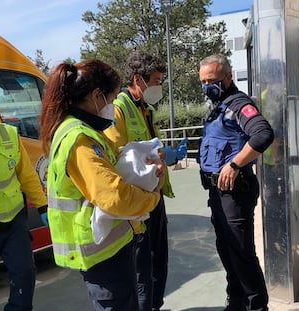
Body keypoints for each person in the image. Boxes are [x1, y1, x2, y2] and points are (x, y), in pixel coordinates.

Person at [39, 59, 162, 310]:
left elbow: (106, 175)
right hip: (100, 251)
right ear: (97, 96)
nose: (113, 105)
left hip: (108, 244)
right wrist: (153, 196)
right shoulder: (79, 138)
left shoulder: (84, 131)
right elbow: (114, 196)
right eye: (112, 97)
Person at [197, 54, 274, 311]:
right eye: (203, 81)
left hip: (235, 192)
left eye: (212, 80)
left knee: (242, 255)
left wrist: (234, 165)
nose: (207, 86)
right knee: (228, 253)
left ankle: (256, 307)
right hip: (218, 192)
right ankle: (237, 303)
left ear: (228, 78)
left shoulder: (239, 105)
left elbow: (263, 134)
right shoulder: (217, 107)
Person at [104, 50, 176, 311]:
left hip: (153, 195)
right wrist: (154, 160)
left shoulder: (146, 108)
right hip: (136, 203)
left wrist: (165, 156)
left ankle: (155, 306)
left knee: (159, 261)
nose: (158, 86)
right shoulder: (118, 109)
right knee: (141, 266)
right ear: (138, 79)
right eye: (155, 80)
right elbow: (120, 157)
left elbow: (148, 145)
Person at [0, 81, 48, 311]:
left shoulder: (8, 133)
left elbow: (26, 175)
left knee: (25, 275)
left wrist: (44, 206)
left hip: (13, 222)